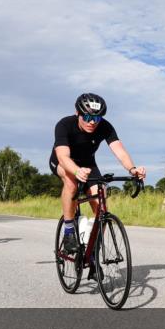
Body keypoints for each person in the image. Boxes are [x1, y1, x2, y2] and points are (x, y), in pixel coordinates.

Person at [49, 93, 146, 264]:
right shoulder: (64, 125)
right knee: (71, 183)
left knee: (101, 205)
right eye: (87, 117)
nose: (92, 122)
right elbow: (63, 156)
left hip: (88, 164)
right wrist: (76, 171)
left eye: (97, 118)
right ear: (77, 113)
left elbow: (120, 151)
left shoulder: (105, 127)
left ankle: (92, 249)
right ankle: (69, 229)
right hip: (63, 162)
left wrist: (132, 169)